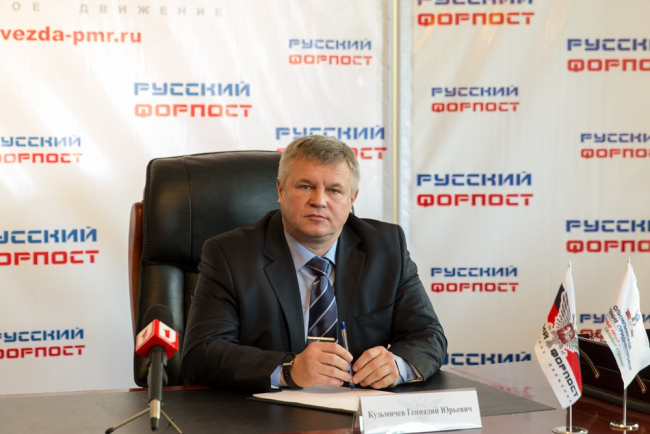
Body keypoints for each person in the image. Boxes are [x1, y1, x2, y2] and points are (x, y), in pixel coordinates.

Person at [181, 135, 447, 391]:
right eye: (305, 186)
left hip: (359, 408)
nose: (319, 201)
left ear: (352, 199)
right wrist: (289, 369)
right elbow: (201, 355)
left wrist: (397, 366)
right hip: (266, 412)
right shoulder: (230, 255)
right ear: (280, 189)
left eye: (334, 190)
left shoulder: (386, 248)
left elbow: (428, 335)